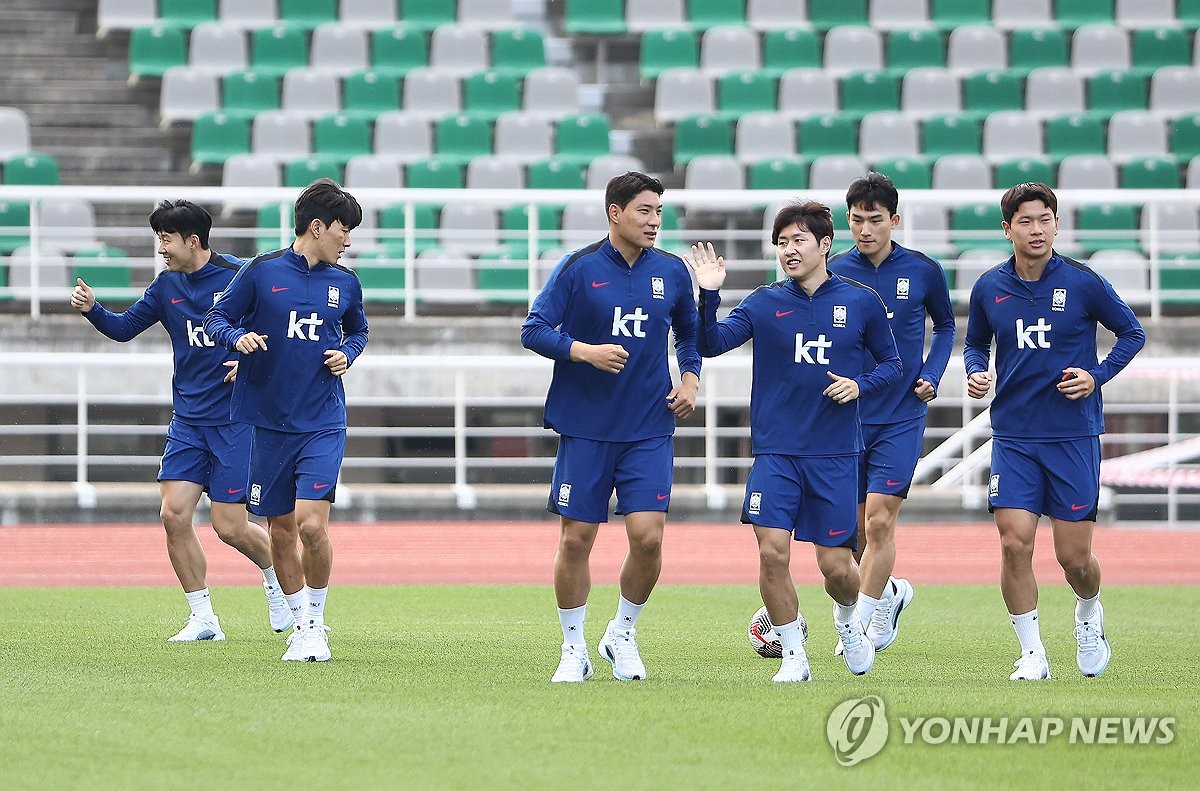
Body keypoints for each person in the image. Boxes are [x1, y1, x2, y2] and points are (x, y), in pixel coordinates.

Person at [686, 201, 902, 683]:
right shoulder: (764, 302)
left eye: (798, 240)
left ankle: (848, 624)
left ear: (825, 245)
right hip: (775, 452)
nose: (788, 250)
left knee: (838, 569)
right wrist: (708, 296)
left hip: (833, 453)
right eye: (781, 242)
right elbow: (708, 343)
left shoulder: (861, 301)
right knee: (771, 551)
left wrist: (859, 385)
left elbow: (892, 366)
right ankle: (793, 656)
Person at [69, 199, 290, 642]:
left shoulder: (240, 277)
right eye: (158, 239)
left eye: (165, 239)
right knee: (173, 514)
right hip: (188, 422)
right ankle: (203, 618)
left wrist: (250, 362)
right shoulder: (165, 286)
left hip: (235, 421)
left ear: (193, 241)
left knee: (229, 526)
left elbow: (284, 328)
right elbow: (125, 327)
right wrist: (94, 308)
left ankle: (278, 586)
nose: (160, 249)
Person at [521, 171, 701, 683]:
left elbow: (690, 335)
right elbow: (533, 329)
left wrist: (690, 381)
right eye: (644, 211)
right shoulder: (578, 269)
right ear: (614, 212)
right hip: (586, 427)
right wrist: (584, 351)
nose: (653, 222)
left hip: (649, 426)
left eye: (659, 213)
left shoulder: (672, 272)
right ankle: (572, 648)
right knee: (577, 539)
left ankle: (622, 633)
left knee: (648, 539)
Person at [963, 182, 1145, 681]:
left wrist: (1097, 376)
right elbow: (976, 342)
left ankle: (1089, 614)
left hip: (1072, 436)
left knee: (1074, 558)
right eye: (1025, 220)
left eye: (1045, 219)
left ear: (1057, 224)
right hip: (1015, 437)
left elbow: (1133, 333)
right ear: (1007, 229)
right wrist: (975, 370)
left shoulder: (1084, 283)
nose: (1036, 228)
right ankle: (1032, 653)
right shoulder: (988, 287)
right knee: (1014, 542)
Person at [204, 179, 368, 663]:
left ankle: (315, 624)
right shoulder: (260, 271)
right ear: (316, 227)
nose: (348, 240)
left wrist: (348, 354)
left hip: (323, 418)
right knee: (279, 530)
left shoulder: (346, 282)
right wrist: (237, 338)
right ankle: (300, 621)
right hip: (267, 421)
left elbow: (359, 329)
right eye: (343, 230)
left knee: (311, 526)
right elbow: (216, 320)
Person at [826, 173, 956, 655]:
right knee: (853, 529)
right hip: (847, 413)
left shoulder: (923, 270)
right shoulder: (834, 271)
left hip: (902, 411)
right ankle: (890, 593)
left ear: (894, 220)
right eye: (856, 220)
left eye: (874, 220)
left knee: (880, 522)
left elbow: (945, 327)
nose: (865, 229)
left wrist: (934, 371)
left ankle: (859, 627)